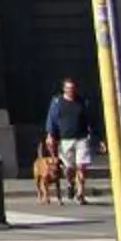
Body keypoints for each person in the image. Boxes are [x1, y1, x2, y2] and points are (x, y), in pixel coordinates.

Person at [43, 77, 95, 206]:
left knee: (81, 166)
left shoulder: (82, 102)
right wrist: (50, 135)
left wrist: (97, 137)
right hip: (65, 140)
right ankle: (70, 183)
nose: (70, 91)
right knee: (69, 168)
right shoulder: (57, 102)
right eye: (68, 88)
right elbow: (52, 119)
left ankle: (80, 194)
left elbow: (91, 120)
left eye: (72, 88)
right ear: (64, 89)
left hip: (81, 138)